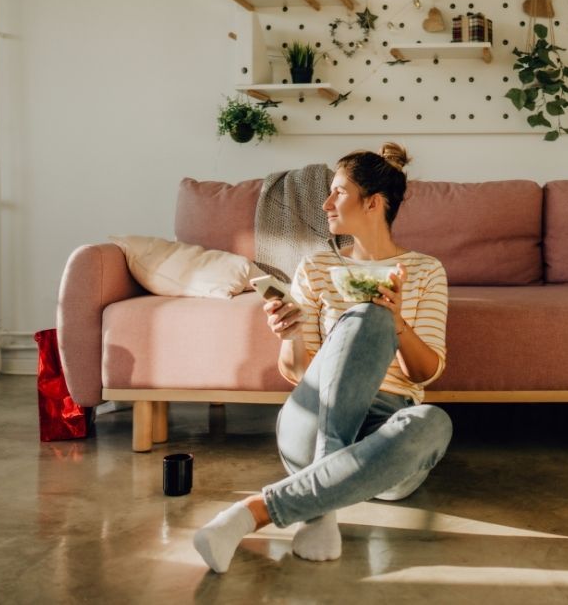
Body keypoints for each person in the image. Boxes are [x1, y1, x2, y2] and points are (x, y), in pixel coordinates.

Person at [193, 142, 452, 573]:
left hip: (384, 433)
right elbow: (298, 374)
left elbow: (425, 373)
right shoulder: (314, 267)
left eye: (337, 192)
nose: (326, 203)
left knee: (433, 423)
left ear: (373, 203)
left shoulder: (425, 270)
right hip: (313, 420)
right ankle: (321, 496)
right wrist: (290, 335)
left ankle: (264, 510)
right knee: (363, 318)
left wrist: (396, 321)